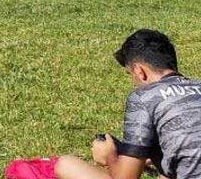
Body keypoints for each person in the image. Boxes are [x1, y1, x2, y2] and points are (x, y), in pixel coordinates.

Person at [44, 29, 201, 179]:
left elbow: (126, 177)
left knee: (66, 164)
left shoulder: (144, 96)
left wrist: (109, 156)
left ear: (140, 71)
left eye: (130, 74)